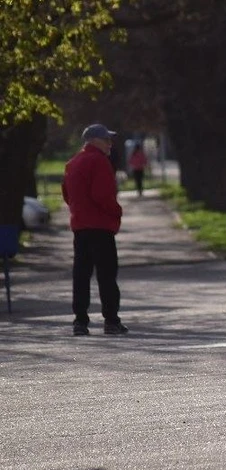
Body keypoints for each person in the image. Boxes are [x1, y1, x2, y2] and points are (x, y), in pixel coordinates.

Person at [62, 124, 127, 336]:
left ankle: (80, 320)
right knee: (106, 274)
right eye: (107, 139)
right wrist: (116, 211)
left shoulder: (73, 163)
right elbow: (102, 195)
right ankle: (111, 320)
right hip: (100, 226)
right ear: (94, 141)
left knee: (81, 275)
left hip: (80, 227)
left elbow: (66, 194)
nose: (110, 143)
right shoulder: (99, 161)